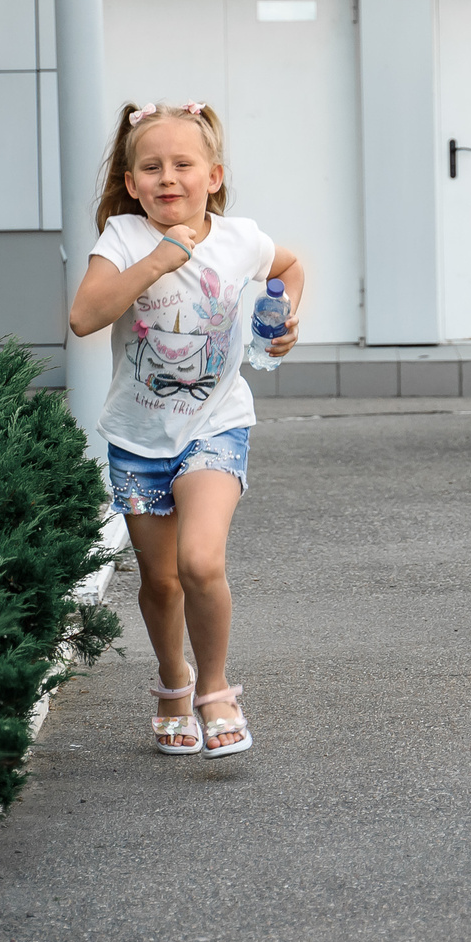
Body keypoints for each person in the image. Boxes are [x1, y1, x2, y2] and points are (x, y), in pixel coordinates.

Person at [68, 101, 303, 760]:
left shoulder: (241, 239)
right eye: (151, 166)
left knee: (199, 561)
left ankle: (217, 689)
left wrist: (282, 323)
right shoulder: (122, 239)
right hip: (138, 442)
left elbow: (289, 268)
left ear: (214, 176)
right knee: (160, 579)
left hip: (216, 426)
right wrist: (160, 259)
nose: (168, 176)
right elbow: (85, 316)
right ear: (133, 180)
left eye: (183, 164)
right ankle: (174, 681)